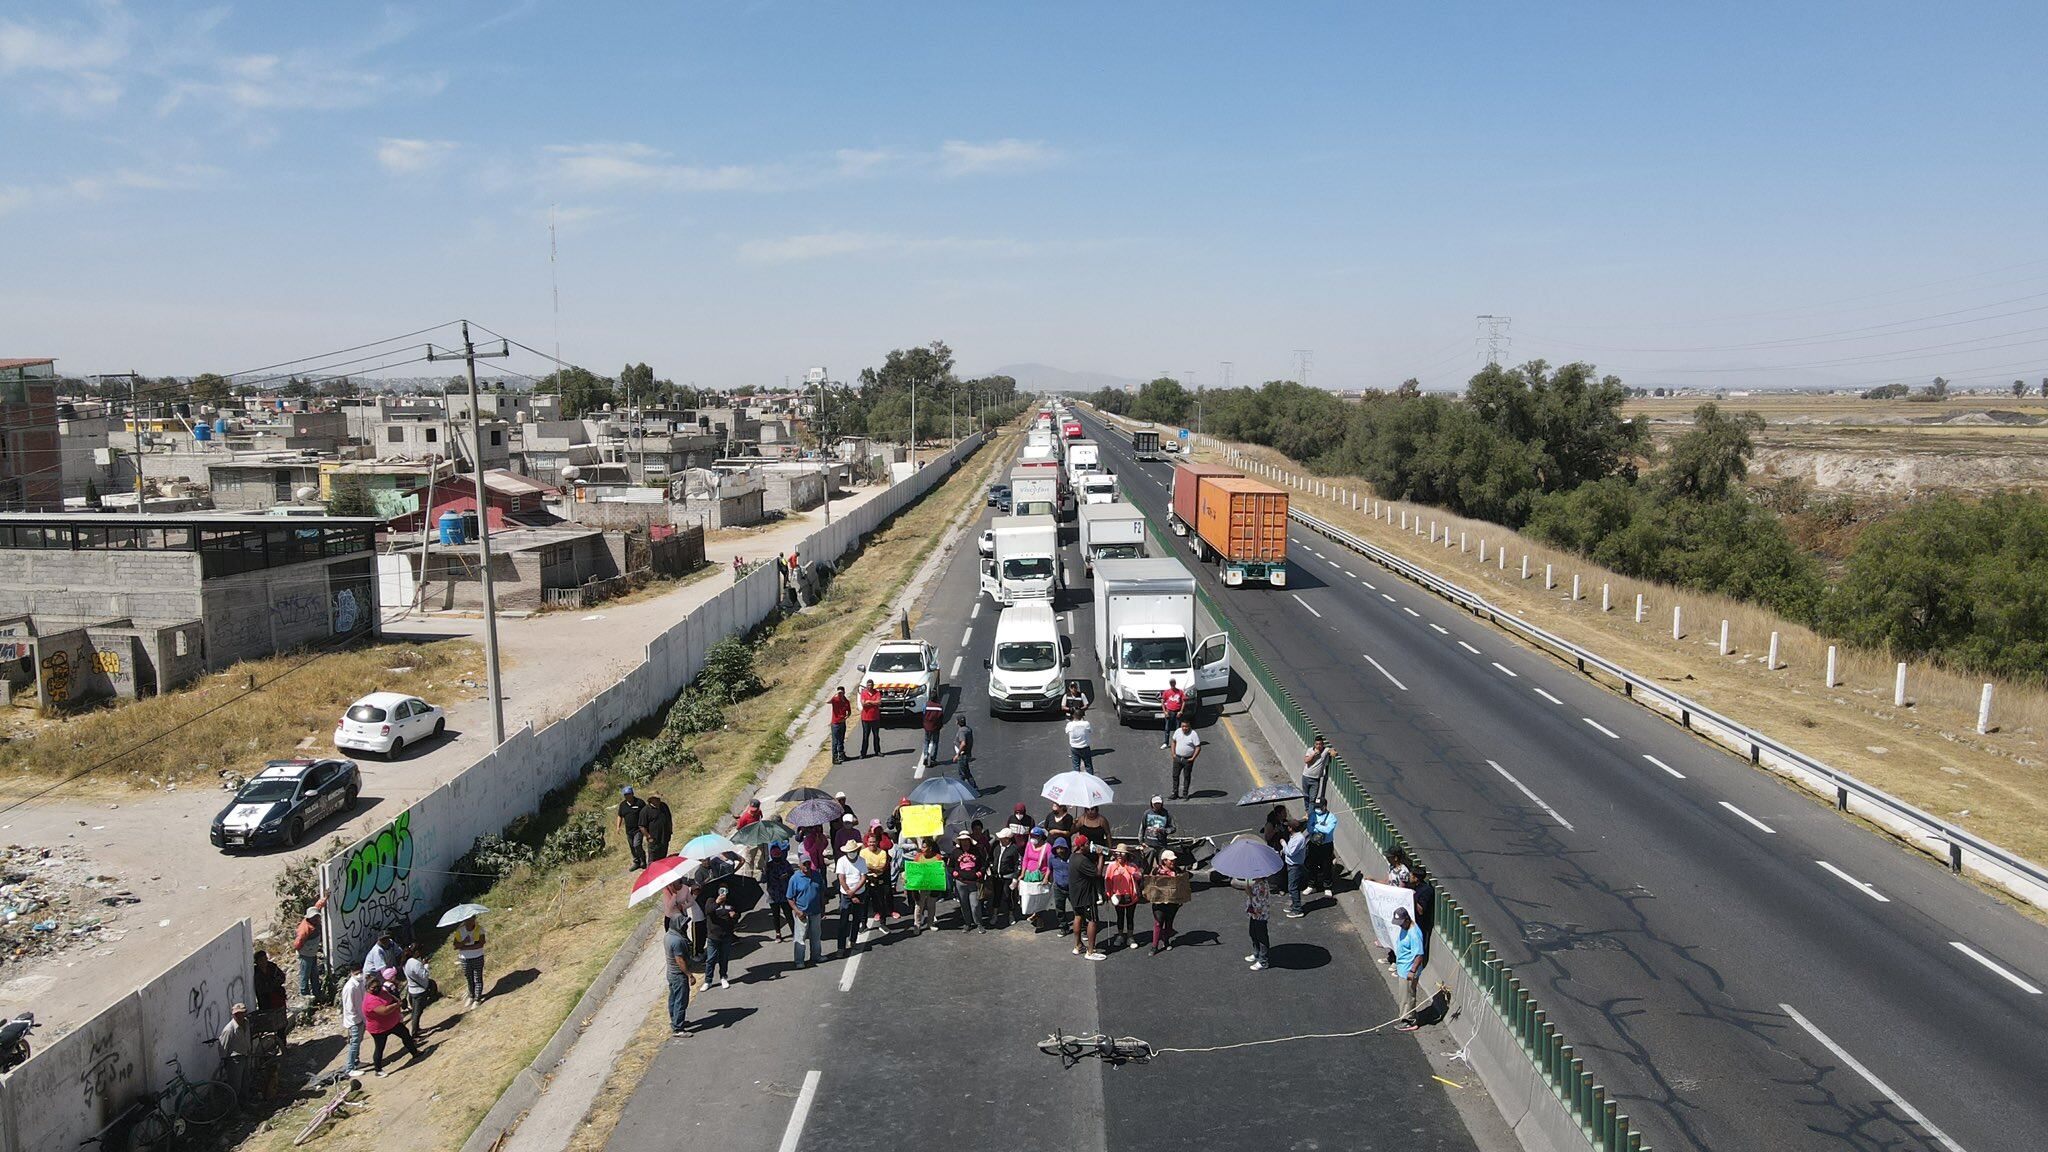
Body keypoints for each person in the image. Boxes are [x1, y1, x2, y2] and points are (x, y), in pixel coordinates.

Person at [364, 969, 423, 1076]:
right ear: (368, 989)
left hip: (393, 1023)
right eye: (373, 988)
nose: (377, 989)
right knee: (380, 1048)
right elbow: (384, 1011)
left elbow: (392, 998)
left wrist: (399, 1002)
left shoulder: (382, 992)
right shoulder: (370, 1001)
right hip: (379, 1029)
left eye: (378, 986)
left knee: (405, 1034)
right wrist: (396, 1005)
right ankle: (378, 1070)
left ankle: (415, 1052)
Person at [1067, 836, 1105, 959]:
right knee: (1092, 920)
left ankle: (1078, 945)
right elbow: (1097, 873)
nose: (1089, 846)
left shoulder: (1073, 857)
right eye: (1087, 843)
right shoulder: (1083, 860)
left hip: (1075, 894)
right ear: (1081, 846)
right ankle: (1091, 951)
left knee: (1078, 917)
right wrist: (1100, 857)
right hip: (1086, 895)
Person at [788, 856, 826, 967]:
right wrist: (797, 911)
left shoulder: (816, 875)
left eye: (808, 864)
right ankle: (799, 961)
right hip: (802, 913)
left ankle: (816, 956)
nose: (806, 866)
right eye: (804, 864)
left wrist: (822, 908)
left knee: (816, 936)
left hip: (816, 911)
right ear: (799, 865)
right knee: (800, 937)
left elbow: (821, 892)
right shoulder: (794, 879)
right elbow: (790, 898)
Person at [1393, 908, 1426, 1031]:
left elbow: (1419, 955)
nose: (1400, 925)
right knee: (1405, 995)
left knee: (1407, 996)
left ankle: (1409, 1021)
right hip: (1403, 968)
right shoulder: (1405, 927)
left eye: (1401, 922)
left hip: (1408, 970)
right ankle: (1409, 1016)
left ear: (1407, 919)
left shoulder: (1414, 933)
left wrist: (1412, 971)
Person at [1104, 846, 1143, 950]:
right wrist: (1109, 895)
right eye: (1118, 853)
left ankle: (1130, 937)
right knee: (1120, 917)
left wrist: (1133, 871)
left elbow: (1139, 877)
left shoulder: (1132, 866)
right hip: (1117, 897)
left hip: (1131, 897)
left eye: (1122, 853)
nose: (1120, 855)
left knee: (1130, 917)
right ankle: (1120, 935)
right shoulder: (1111, 867)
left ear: (1127, 855)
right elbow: (1108, 882)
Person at [835, 843, 869, 956]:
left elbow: (863, 877)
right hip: (846, 895)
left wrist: (854, 891)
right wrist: (851, 894)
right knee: (843, 921)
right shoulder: (841, 861)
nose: (852, 853)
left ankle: (853, 940)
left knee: (856, 919)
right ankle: (841, 947)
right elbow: (841, 878)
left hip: (859, 893)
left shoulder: (862, 861)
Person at [948, 832, 986, 930]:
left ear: (969, 841)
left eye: (966, 840)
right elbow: (950, 866)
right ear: (960, 842)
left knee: (975, 904)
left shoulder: (977, 851)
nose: (965, 842)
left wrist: (980, 873)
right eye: (962, 840)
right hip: (960, 882)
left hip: (973, 882)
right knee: (964, 904)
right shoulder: (955, 852)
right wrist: (953, 873)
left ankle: (979, 923)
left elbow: (983, 864)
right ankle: (968, 923)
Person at [1150, 850, 1186, 953]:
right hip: (1159, 902)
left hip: (1172, 902)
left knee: (1169, 923)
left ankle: (1166, 941)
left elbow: (1183, 884)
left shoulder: (1177, 870)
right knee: (1158, 923)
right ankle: (1154, 946)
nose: (1173, 862)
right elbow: (1149, 884)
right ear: (1164, 861)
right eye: (1171, 860)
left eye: (1174, 860)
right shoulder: (1156, 871)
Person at [291, 895, 327, 1001]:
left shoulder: (313, 922)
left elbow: (317, 906)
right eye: (315, 917)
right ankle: (304, 995)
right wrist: (302, 951)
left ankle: (317, 993)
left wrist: (325, 898)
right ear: (310, 918)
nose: (317, 919)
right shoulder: (305, 929)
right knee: (305, 974)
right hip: (306, 954)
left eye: (317, 917)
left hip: (312, 953)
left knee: (314, 974)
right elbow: (297, 944)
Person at [703, 889, 738, 990]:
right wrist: (717, 902)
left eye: (726, 890)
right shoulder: (711, 900)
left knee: (724, 957)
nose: (723, 892)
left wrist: (734, 916)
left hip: (726, 935)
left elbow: (736, 917)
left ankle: (723, 977)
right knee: (711, 959)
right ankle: (708, 980)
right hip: (713, 936)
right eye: (721, 889)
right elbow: (708, 911)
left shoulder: (731, 903)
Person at [217, 1002, 250, 1101]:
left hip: (245, 1055)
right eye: (236, 1014)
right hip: (235, 1060)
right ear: (233, 1015)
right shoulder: (229, 1030)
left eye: (241, 1013)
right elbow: (222, 1047)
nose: (239, 1016)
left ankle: (245, 1105)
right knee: (235, 1087)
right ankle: (235, 1111)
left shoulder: (246, 1023)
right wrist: (226, 1062)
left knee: (245, 1083)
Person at [664, 918, 692, 1036]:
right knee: (681, 1000)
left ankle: (675, 1020)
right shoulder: (677, 941)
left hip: (671, 973)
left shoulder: (668, 935)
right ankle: (678, 1028)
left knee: (674, 998)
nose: (686, 926)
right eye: (684, 924)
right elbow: (680, 960)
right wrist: (689, 975)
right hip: (678, 975)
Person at [991, 827, 1023, 926]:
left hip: (1008, 878)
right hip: (997, 877)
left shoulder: (1014, 849)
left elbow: (1018, 864)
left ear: (1007, 839)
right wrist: (991, 867)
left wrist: (1015, 878)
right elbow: (992, 858)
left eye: (1002, 838)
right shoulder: (997, 846)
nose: (1000, 839)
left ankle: (1011, 914)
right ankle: (995, 914)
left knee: (1008, 897)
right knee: (996, 896)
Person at [1306, 804, 1340, 896]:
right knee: (1312, 865)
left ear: (1325, 806)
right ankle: (1311, 885)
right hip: (1314, 844)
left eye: (1320, 807)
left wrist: (1316, 825)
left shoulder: (1331, 817)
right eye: (1316, 807)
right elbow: (1309, 828)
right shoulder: (1313, 815)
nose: (1318, 809)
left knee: (1326, 866)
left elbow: (1328, 830)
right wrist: (1320, 827)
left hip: (1326, 845)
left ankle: (1327, 887)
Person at [763, 843, 794, 942]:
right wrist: (764, 871)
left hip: (784, 893)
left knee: (788, 913)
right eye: (775, 856)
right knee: (775, 915)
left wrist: (786, 875)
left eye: (778, 856)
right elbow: (763, 880)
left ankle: (794, 932)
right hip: (773, 894)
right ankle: (778, 933)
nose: (777, 858)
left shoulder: (785, 863)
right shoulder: (768, 866)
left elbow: (792, 875)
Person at [401, 944, 434, 1037]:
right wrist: (426, 966)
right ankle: (415, 1033)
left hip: (412, 990)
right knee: (417, 1012)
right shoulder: (415, 963)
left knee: (415, 1011)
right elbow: (424, 975)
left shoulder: (406, 962)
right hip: (419, 991)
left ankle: (417, 1029)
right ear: (416, 952)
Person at [339, 968, 368, 1074]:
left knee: (359, 1040)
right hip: (354, 1020)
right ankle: (349, 1068)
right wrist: (359, 1018)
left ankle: (356, 1061)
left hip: (361, 1017)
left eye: (360, 972)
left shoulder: (361, 982)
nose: (359, 975)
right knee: (354, 1043)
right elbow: (350, 1007)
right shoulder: (350, 987)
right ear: (351, 974)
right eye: (356, 973)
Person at [454, 915, 487, 1006]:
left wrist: (464, 947)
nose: (470, 921)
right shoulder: (460, 931)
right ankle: (471, 996)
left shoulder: (479, 929)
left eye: (472, 919)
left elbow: (480, 944)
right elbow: (455, 946)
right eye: (468, 919)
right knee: (469, 979)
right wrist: (464, 942)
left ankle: (477, 999)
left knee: (477, 978)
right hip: (465, 959)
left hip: (478, 956)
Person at [911, 838, 943, 931]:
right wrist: (914, 888)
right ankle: (917, 925)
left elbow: (939, 872)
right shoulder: (918, 857)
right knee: (919, 906)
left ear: (930, 848)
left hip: (932, 886)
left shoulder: (937, 857)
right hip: (921, 886)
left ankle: (930, 923)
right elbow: (913, 872)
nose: (922, 849)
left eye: (924, 847)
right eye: (922, 847)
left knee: (931, 905)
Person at [1168, 719, 1202, 800]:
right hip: (1177, 758)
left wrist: (1193, 758)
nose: (1184, 728)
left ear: (1189, 726)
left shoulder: (1193, 734)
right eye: (1183, 726)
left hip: (1188, 760)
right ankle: (1175, 793)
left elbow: (1198, 747)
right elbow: (1173, 742)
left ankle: (1185, 794)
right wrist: (1173, 754)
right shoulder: (1178, 731)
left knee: (1186, 776)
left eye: (1186, 726)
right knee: (1175, 776)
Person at [1243, 876, 1273, 971]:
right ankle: (1257, 953)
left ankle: (1263, 961)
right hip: (1254, 914)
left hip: (1261, 915)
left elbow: (1260, 902)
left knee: (1261, 937)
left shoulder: (1263, 885)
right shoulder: (1256, 883)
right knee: (1253, 933)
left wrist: (1250, 894)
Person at [1282, 819, 1309, 917]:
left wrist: (1283, 844)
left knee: (1293, 887)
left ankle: (1297, 910)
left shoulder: (1299, 839)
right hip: (1291, 865)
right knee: (1292, 886)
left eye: (1288, 826)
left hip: (1295, 866)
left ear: (1290, 828)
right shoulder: (1294, 837)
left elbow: (1291, 852)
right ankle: (1294, 905)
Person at [618, 786, 648, 870]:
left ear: (632, 794)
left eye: (629, 794)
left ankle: (643, 860)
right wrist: (618, 827)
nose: (627, 796)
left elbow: (646, 813)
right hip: (629, 831)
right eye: (625, 795)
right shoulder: (623, 805)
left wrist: (647, 825)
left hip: (639, 829)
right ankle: (636, 862)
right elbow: (620, 816)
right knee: (632, 847)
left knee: (637, 845)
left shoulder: (640, 802)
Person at [1139, 796, 1175, 866]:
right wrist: (1141, 841)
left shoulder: (1167, 814)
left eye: (1159, 803)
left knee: (1162, 865)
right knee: (1147, 864)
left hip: (1161, 845)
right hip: (1148, 844)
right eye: (1155, 804)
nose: (1157, 805)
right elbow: (1142, 827)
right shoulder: (1147, 813)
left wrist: (1163, 830)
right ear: (1152, 804)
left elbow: (1173, 828)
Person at [1049, 836, 1073, 931]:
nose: (1059, 851)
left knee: (1077, 909)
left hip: (1071, 888)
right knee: (1059, 909)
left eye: (1062, 848)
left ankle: (1082, 929)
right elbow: (1050, 869)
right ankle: (1064, 927)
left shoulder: (1072, 857)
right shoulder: (1052, 858)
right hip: (1058, 888)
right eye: (1057, 848)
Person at [640, 794, 674, 863]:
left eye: (659, 798)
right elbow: (641, 826)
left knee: (663, 856)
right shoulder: (645, 810)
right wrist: (649, 837)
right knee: (653, 859)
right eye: (656, 798)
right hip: (654, 839)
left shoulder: (663, 806)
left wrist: (670, 830)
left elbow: (669, 818)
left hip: (665, 836)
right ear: (651, 799)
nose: (659, 800)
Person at [1301, 736, 1332, 812]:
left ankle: (1310, 813)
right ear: (1314, 744)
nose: (1318, 746)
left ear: (1322, 744)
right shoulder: (1310, 750)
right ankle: (1307, 811)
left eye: (1320, 744)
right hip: (1306, 777)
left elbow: (1331, 750)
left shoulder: (1325, 750)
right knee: (1306, 796)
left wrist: (1332, 752)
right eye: (1317, 744)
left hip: (1315, 779)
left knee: (1312, 798)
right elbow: (1306, 760)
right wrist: (1314, 754)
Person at [1064, 707, 1096, 775]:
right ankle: (1090, 780)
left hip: (1074, 747)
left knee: (1076, 766)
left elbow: (1066, 732)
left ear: (1073, 715)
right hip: (1085, 747)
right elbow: (1091, 731)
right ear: (1082, 716)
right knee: (1088, 765)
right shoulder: (1086, 724)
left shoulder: (1069, 724)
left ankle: (1077, 780)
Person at [858, 680, 883, 757]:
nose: (870, 687)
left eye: (871, 685)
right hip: (865, 718)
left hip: (875, 718)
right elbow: (863, 704)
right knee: (865, 736)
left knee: (876, 735)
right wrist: (873, 702)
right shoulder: (864, 693)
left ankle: (877, 751)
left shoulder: (877, 693)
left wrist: (869, 701)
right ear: (866, 686)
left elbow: (879, 702)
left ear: (873, 685)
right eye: (868, 685)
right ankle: (863, 753)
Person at [920, 695, 946, 769]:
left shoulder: (926, 705)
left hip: (927, 727)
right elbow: (941, 717)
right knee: (935, 742)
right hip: (936, 727)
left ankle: (925, 755)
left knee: (926, 741)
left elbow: (923, 713)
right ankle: (933, 759)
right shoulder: (939, 707)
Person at [1159, 679, 1186, 748]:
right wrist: (1165, 711)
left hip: (1177, 712)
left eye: (1173, 683)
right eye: (1171, 684)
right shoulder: (1166, 692)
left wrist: (1181, 711)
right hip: (1169, 711)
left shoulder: (1180, 692)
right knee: (1167, 728)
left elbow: (1184, 702)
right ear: (1170, 684)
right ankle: (1166, 743)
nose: (1172, 685)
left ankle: (1178, 743)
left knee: (1178, 729)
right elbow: (1162, 701)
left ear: (1175, 683)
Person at [828, 686, 851, 764]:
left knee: (841, 740)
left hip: (842, 723)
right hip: (835, 724)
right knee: (835, 741)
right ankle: (834, 758)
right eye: (839, 692)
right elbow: (827, 701)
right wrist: (835, 694)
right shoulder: (835, 700)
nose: (841, 694)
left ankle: (841, 755)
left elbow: (849, 712)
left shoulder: (846, 701)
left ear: (844, 692)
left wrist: (846, 717)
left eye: (842, 692)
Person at [953, 715, 977, 787]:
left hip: (962, 756)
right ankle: (962, 788)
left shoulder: (961, 731)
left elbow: (963, 743)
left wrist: (958, 754)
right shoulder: (968, 729)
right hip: (966, 754)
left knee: (965, 773)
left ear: (957, 722)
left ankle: (974, 788)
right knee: (962, 773)